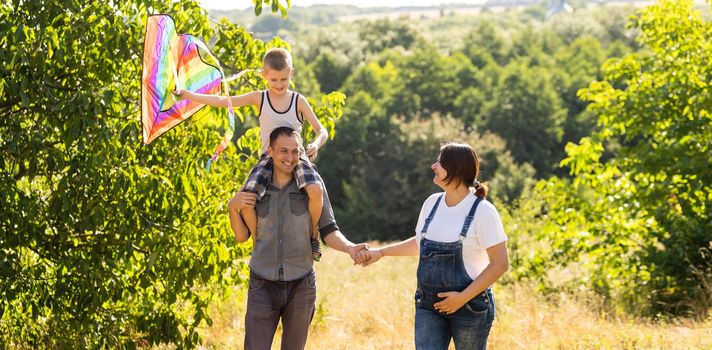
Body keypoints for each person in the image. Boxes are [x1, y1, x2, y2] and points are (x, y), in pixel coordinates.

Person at [176, 47, 325, 261]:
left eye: (284, 79)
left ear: (291, 73)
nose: (280, 85)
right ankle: (258, 241)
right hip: (269, 158)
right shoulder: (259, 98)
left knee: (315, 189)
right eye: (274, 80)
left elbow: (322, 130)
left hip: (296, 155)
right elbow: (223, 102)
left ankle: (313, 235)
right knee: (247, 197)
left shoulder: (298, 100)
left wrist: (316, 144)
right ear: (264, 75)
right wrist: (188, 95)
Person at [227, 127, 369, 350]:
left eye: (295, 152)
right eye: (284, 151)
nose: (290, 158)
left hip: (301, 284)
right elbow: (241, 237)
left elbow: (329, 230)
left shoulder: (313, 187)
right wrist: (232, 208)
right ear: (270, 151)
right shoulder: (254, 188)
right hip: (262, 283)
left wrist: (350, 248)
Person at [360, 142, 509, 350]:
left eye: (440, 162)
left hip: (470, 307)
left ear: (456, 169)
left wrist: (461, 298)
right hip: (428, 306)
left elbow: (500, 263)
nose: (433, 166)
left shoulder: (483, 211)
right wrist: (381, 253)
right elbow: (421, 244)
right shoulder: (432, 203)